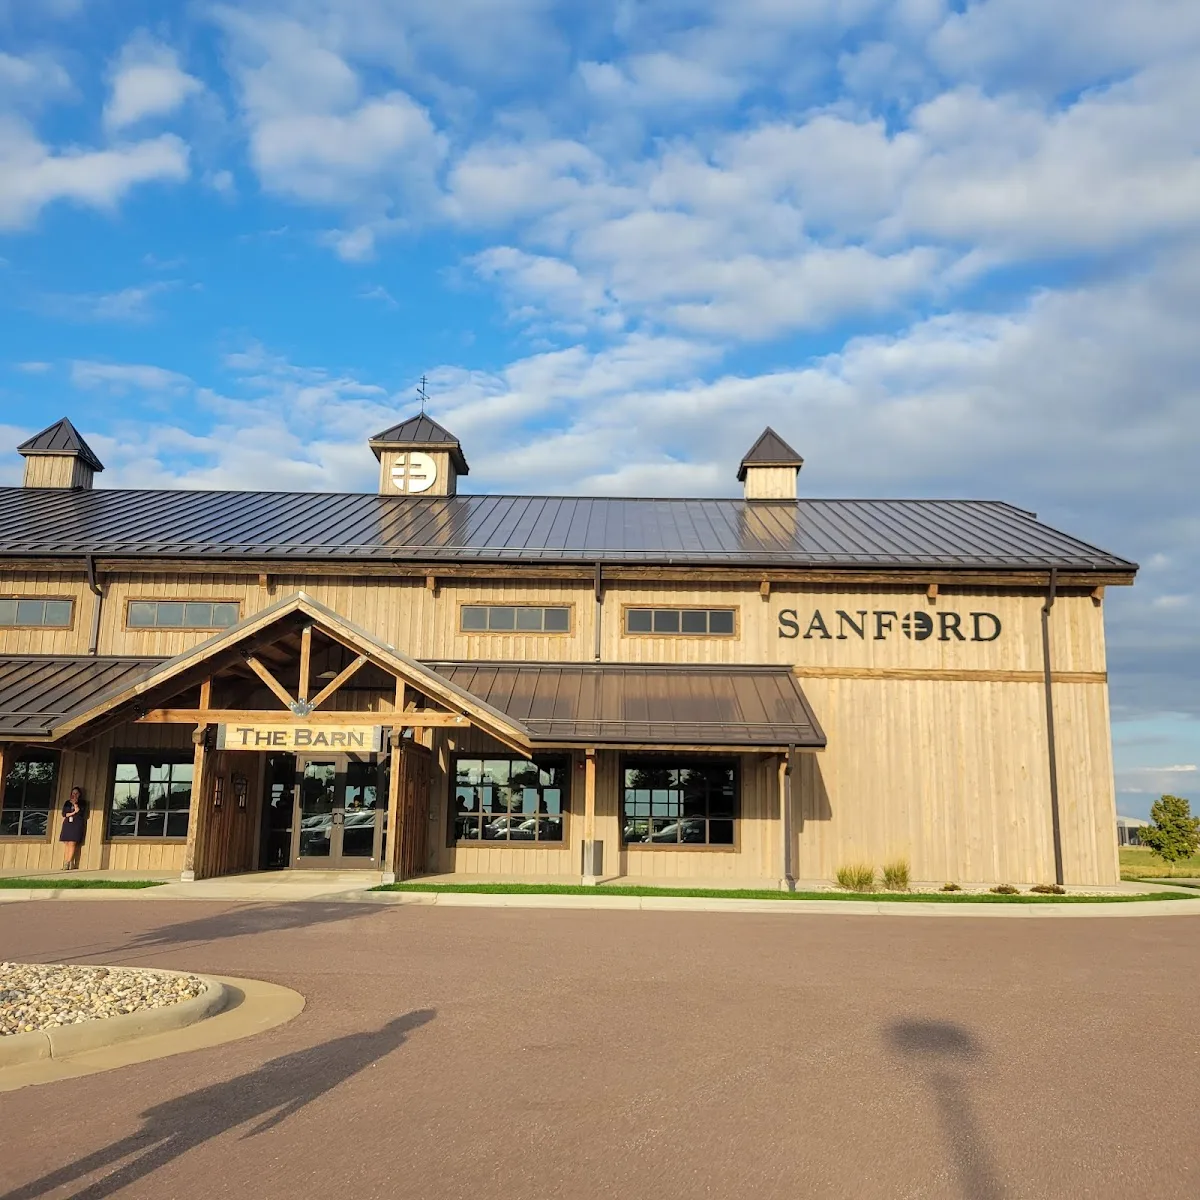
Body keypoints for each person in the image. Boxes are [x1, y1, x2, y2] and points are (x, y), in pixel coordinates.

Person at [60, 786, 87, 870]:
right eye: (73, 793)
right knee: (67, 843)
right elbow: (64, 814)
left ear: (79, 794)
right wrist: (73, 812)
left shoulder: (82, 803)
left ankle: (68, 862)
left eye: (76, 793)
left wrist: (75, 804)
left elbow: (80, 813)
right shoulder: (67, 803)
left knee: (72, 843)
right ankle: (68, 862)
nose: (74, 795)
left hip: (77, 823)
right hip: (68, 823)